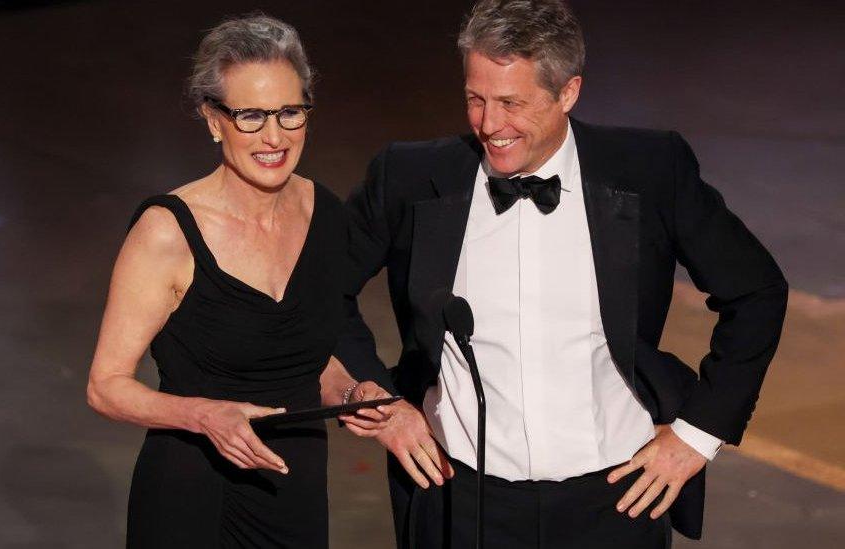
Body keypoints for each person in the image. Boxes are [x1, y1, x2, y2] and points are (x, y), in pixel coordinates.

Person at [337, 0, 788, 547]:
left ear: (568, 93)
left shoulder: (649, 170)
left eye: (511, 103)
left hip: (618, 499)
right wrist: (378, 401)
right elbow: (319, 291)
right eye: (474, 99)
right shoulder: (410, 177)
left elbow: (757, 291)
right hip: (458, 497)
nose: (488, 124)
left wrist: (698, 435)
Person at [85, 14, 377, 548]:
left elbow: (301, 353)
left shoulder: (327, 216)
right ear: (213, 120)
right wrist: (204, 415)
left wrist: (353, 390)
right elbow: (105, 387)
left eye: (290, 112)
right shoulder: (167, 233)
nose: (274, 136)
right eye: (250, 116)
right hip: (196, 495)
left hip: (295, 489)